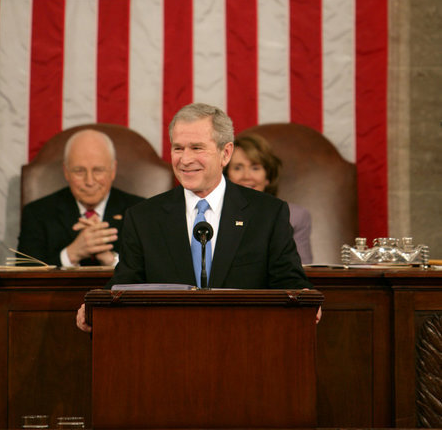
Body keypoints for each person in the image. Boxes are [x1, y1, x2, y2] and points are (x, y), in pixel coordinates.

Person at [77, 103, 314, 332]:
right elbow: (124, 286)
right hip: (166, 347)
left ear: (226, 153)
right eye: (178, 148)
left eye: (197, 148)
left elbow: (290, 282)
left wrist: (306, 301)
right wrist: (97, 307)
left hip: (247, 342)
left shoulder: (267, 214)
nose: (185, 159)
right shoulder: (143, 218)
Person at [17, 129, 142, 267]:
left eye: (98, 170)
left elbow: (152, 271)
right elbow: (24, 275)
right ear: (66, 172)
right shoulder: (37, 214)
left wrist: (111, 260)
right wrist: (70, 255)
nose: (89, 181)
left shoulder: (140, 211)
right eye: (79, 171)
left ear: (113, 170)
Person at [226, 133, 313, 264]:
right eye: (238, 168)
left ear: (268, 177)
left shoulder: (295, 216)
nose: (247, 176)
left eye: (255, 168)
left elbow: (302, 270)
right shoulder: (213, 212)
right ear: (227, 176)